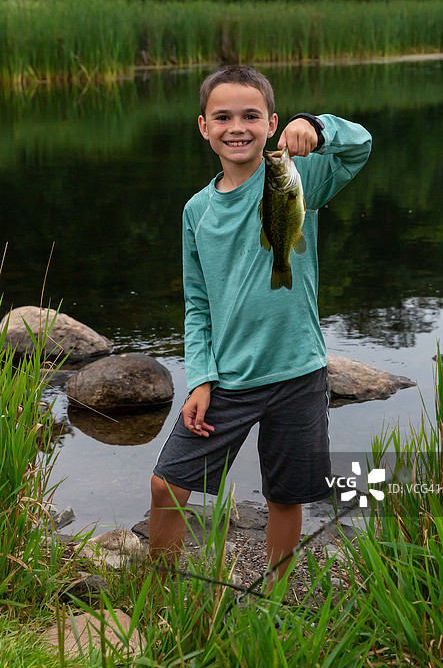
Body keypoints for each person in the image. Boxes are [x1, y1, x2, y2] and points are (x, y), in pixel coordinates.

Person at [149, 65, 371, 580]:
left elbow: (359, 145)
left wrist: (317, 127)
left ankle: (277, 589)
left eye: (251, 116)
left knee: (285, 496)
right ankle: (160, 591)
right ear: (202, 126)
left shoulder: (299, 178)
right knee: (166, 485)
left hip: (298, 372)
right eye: (222, 116)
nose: (237, 127)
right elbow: (197, 302)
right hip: (229, 380)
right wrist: (199, 377)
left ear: (271, 124)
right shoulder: (196, 211)